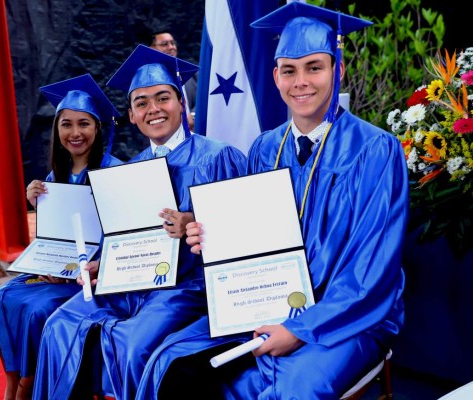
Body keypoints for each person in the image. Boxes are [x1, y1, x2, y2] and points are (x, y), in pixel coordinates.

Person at [135, 2, 410, 399]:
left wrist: (300, 328)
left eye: (314, 67)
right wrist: (208, 234)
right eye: (289, 70)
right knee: (169, 360)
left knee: (288, 387)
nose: (301, 82)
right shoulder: (265, 149)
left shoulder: (375, 150)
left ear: (339, 70)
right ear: (275, 77)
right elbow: (248, 237)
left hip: (350, 315)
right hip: (264, 302)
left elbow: (372, 269)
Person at [31, 44, 247, 400]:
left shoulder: (218, 157)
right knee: (59, 324)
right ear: (131, 115)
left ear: (181, 103)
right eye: (141, 103)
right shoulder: (132, 168)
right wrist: (106, 263)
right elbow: (126, 237)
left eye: (163, 98)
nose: (153, 109)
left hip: (189, 287)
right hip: (134, 280)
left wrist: (196, 221)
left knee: (132, 345)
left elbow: (245, 231)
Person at [0, 73, 122, 400]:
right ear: (56, 130)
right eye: (66, 124)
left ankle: (30, 384)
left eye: (84, 123)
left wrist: (87, 267)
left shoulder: (114, 172)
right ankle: (12, 383)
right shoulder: (52, 177)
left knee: (36, 309)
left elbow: (119, 238)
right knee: (4, 297)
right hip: (55, 271)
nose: (75, 133)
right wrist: (36, 203)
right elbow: (51, 238)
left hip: (92, 276)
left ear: (98, 127)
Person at [148, 29, 198, 131]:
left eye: (172, 43)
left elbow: (202, 100)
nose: (171, 47)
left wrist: (192, 116)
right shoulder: (146, 80)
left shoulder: (190, 74)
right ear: (152, 48)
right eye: (164, 44)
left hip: (195, 133)